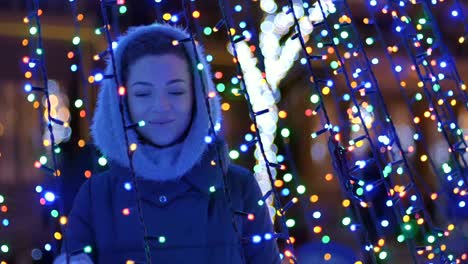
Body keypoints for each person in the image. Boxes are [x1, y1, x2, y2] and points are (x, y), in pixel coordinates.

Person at [54, 23, 281, 263]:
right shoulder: (97, 196)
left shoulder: (238, 188)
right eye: (143, 93)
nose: (161, 107)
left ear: (198, 98)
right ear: (121, 103)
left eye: (176, 92)